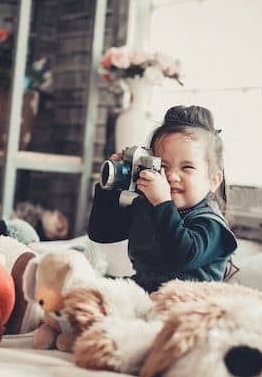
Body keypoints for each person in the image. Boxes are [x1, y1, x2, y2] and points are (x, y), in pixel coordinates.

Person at [87, 105, 237, 293]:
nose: (172, 176)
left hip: (189, 301)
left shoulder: (211, 224)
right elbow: (102, 232)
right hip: (146, 291)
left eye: (187, 167)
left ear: (213, 180)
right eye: (163, 166)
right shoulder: (148, 206)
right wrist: (111, 187)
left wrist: (163, 204)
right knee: (87, 291)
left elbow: (182, 256)